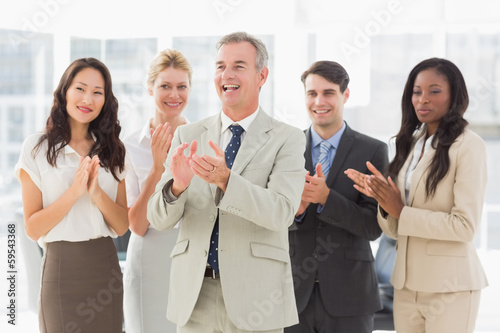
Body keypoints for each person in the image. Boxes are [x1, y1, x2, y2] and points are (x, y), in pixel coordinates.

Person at [147, 31, 305, 333]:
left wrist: (226, 180)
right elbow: (158, 218)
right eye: (220, 66)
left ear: (262, 76)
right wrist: (177, 186)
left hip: (256, 297)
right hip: (194, 296)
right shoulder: (188, 135)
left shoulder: (288, 138)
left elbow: (282, 212)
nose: (226, 75)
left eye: (238, 66)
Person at [345, 57, 488, 333]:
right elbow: (398, 229)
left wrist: (400, 210)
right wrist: (384, 203)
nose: (423, 99)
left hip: (450, 288)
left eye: (434, 91)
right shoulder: (411, 144)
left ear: (454, 96)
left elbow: (465, 227)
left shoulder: (470, 146)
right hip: (407, 286)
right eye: (416, 91)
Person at [15, 57, 128, 332]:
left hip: (105, 268)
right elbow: (32, 228)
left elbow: (122, 225)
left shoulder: (114, 150)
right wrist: (75, 192)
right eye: (80, 88)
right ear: (64, 91)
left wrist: (96, 192)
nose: (87, 98)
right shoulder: (36, 149)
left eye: (97, 92)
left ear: (105, 100)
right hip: (61, 268)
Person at [286, 60, 389, 333]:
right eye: (312, 93)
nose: (319, 101)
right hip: (292, 296)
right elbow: (269, 218)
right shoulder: (286, 149)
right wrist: (297, 210)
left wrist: (326, 198)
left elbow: (372, 227)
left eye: (328, 92)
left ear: (345, 95)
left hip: (351, 298)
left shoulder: (373, 150)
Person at [123, 49, 191, 333]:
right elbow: (137, 225)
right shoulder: (130, 145)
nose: (173, 94)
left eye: (181, 86)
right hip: (147, 262)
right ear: (150, 88)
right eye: (165, 86)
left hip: (192, 262)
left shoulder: (206, 139)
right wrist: (157, 168)